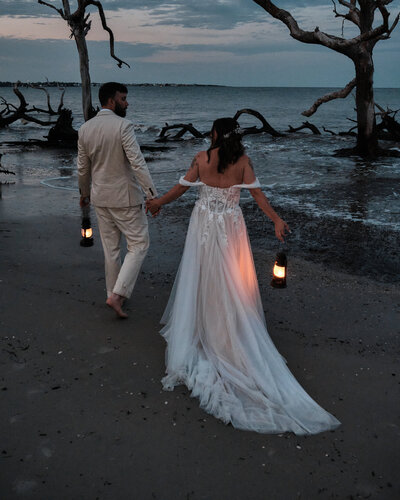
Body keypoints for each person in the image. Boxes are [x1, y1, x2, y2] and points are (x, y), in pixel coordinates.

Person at [146, 117, 340, 434]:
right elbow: (258, 196)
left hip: (205, 226)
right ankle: (225, 330)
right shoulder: (243, 162)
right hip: (230, 228)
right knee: (231, 281)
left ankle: (206, 328)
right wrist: (276, 220)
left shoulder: (201, 158)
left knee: (205, 277)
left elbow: (181, 189)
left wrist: (156, 203)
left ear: (214, 134)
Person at [78, 82, 158, 318]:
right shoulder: (123, 126)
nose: (127, 102)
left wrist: (84, 193)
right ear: (111, 101)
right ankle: (117, 295)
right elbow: (137, 162)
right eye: (123, 98)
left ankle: (113, 295)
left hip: (100, 196)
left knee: (111, 249)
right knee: (139, 245)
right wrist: (152, 194)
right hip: (125, 198)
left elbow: (83, 167)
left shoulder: (85, 129)